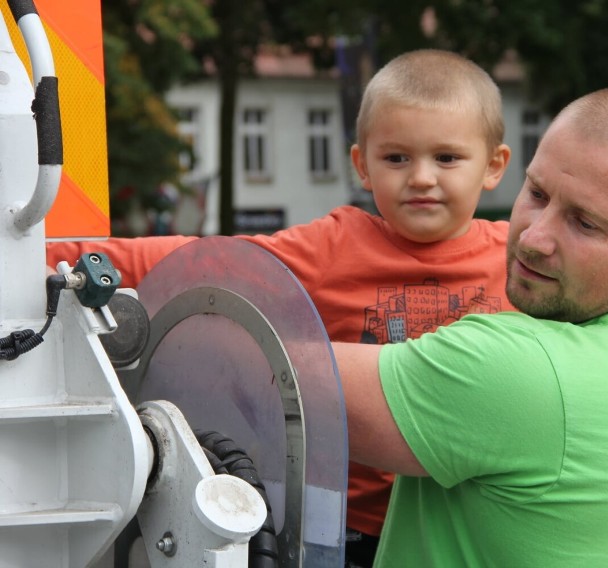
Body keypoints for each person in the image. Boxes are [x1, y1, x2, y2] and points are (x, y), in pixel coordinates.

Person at [46, 49, 514, 566]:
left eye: (446, 158)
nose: (421, 177)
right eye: (397, 158)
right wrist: (43, 257)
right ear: (362, 164)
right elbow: (203, 260)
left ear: (494, 166)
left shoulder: (519, 259)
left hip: (471, 520)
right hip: (348, 528)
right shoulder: (333, 247)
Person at [331, 86, 608, 567]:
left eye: (585, 223)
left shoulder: (522, 371)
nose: (534, 237)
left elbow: (263, 373)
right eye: (536, 193)